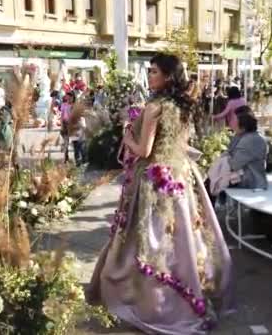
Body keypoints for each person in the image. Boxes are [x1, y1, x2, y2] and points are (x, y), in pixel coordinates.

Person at [88, 53, 234, 334]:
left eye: (154, 71)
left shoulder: (154, 106)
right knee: (183, 241)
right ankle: (188, 290)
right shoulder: (181, 105)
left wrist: (126, 133)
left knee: (147, 242)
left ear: (167, 76)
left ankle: (150, 301)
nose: (150, 75)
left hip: (155, 182)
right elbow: (184, 144)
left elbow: (143, 151)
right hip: (181, 178)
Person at [60, 92, 75, 162]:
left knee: (75, 141)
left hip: (72, 125)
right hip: (65, 124)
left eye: (70, 97)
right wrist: (62, 125)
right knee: (66, 141)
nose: (68, 99)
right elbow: (62, 115)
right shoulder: (64, 105)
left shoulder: (74, 105)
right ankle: (66, 156)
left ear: (73, 98)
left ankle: (77, 156)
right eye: (67, 97)